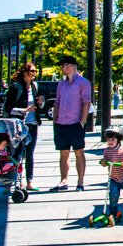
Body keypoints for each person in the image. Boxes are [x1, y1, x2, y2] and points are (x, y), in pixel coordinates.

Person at [50, 55, 92, 192]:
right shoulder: (61, 84)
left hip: (76, 123)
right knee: (63, 152)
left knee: (79, 151)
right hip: (61, 123)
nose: (63, 68)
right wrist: (55, 121)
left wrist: (83, 121)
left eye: (65, 65)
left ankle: (80, 181)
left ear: (72, 66)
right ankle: (64, 180)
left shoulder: (83, 82)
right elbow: (57, 102)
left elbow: (86, 102)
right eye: (62, 66)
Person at [3, 62, 43, 190]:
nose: (34, 73)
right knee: (16, 153)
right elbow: (8, 109)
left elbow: (37, 107)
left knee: (30, 153)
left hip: (32, 124)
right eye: (32, 71)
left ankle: (29, 181)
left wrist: (41, 103)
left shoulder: (35, 86)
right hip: (18, 126)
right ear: (25, 73)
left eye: (35, 71)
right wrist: (24, 110)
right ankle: (12, 181)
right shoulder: (16, 87)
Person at [100, 126, 123, 223]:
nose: (110, 141)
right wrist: (103, 162)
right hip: (113, 178)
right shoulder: (107, 151)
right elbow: (104, 161)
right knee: (113, 196)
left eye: (112, 139)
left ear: (119, 139)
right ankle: (113, 213)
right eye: (108, 139)